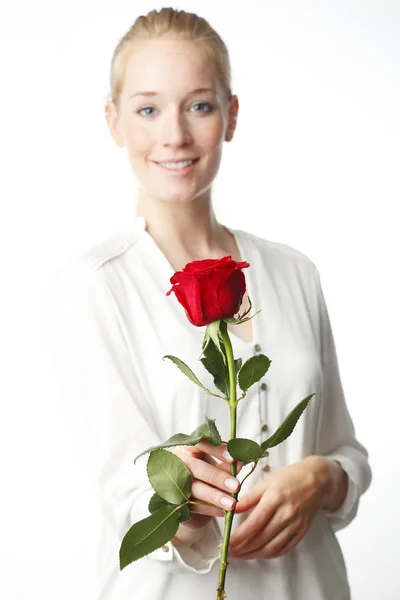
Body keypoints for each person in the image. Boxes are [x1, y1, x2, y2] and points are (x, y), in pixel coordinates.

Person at [46, 7, 372, 600]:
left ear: (231, 115)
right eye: (148, 109)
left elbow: (347, 452)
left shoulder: (295, 272)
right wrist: (188, 500)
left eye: (198, 104)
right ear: (114, 121)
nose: (174, 134)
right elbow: (123, 494)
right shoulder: (92, 286)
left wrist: (321, 478)